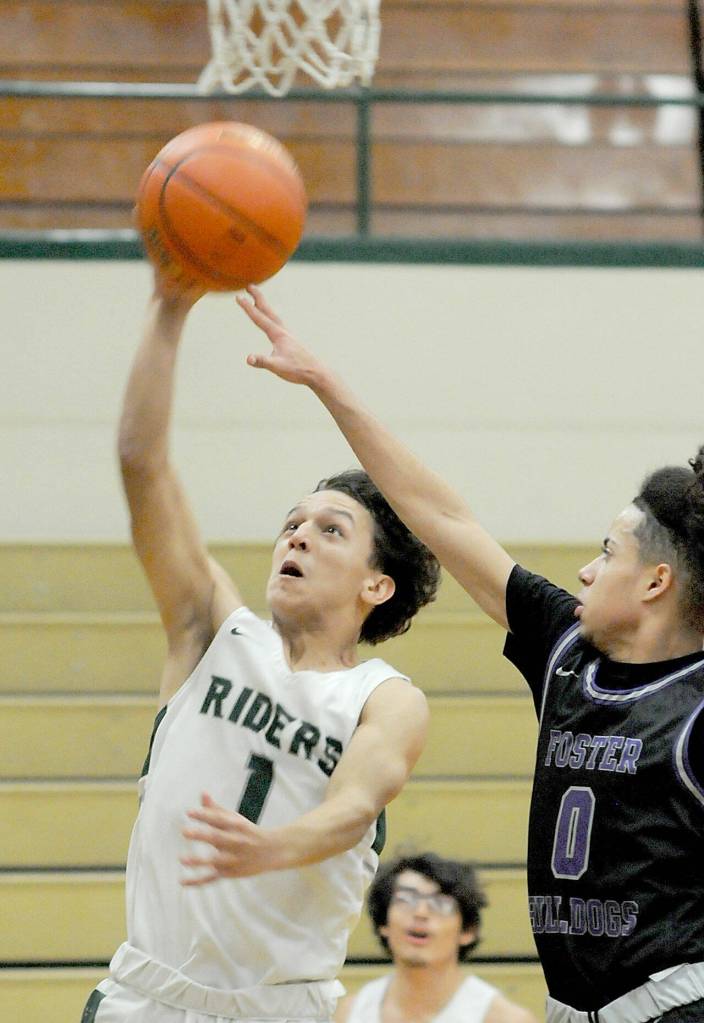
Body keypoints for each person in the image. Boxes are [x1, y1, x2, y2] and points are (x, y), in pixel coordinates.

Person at [238, 284, 704, 1023]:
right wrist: (328, 386)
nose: (585, 569)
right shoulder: (566, 648)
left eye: (606, 552)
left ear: (655, 580)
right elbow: (441, 515)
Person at [80, 277, 441, 1023]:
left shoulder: (385, 696)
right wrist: (169, 307)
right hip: (143, 1000)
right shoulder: (210, 628)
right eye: (293, 523)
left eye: (331, 529)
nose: (299, 534)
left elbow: (352, 808)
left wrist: (274, 846)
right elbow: (139, 461)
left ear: (377, 586)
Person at [335, 852, 537, 1023]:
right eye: (406, 900)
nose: (421, 912)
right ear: (383, 923)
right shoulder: (350, 1013)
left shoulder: (505, 1018)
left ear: (467, 931)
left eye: (440, 904)